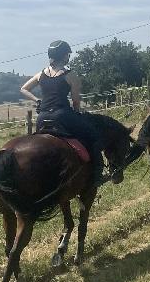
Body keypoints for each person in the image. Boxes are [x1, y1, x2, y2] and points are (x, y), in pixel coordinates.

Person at [20, 41, 106, 185]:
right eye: (68, 54)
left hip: (42, 118)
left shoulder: (41, 73)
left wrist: (38, 100)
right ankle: (97, 174)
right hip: (62, 116)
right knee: (93, 136)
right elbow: (76, 102)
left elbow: (23, 88)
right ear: (65, 56)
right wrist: (78, 112)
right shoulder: (70, 75)